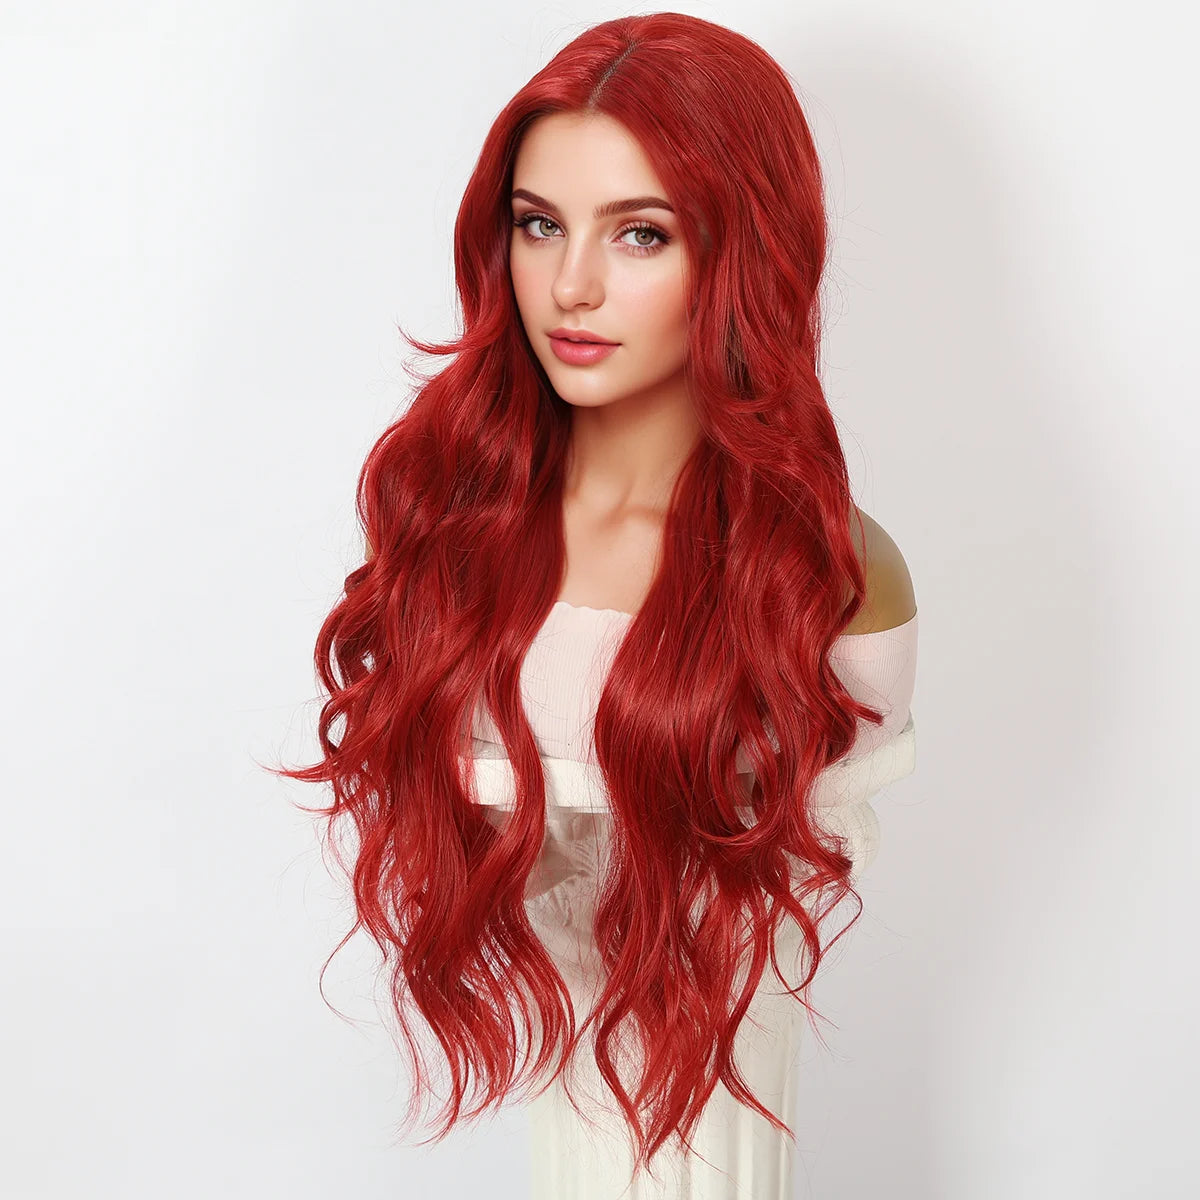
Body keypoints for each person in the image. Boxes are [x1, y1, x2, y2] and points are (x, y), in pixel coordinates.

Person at [275, 12, 919, 1199]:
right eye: (539, 225)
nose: (570, 286)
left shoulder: (826, 583)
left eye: (640, 234)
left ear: (744, 252)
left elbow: (765, 928)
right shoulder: (449, 539)